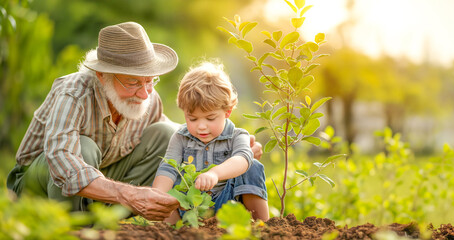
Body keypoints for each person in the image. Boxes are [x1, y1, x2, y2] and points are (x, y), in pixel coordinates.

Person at [6, 22, 262, 221]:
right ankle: (70, 227)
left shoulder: (147, 96)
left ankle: (104, 223)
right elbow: (61, 159)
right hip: (39, 185)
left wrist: (235, 149)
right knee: (83, 148)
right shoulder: (73, 93)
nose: (145, 92)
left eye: (150, 80)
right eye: (133, 82)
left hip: (103, 181)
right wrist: (128, 193)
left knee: (165, 133)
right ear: (102, 75)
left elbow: (182, 138)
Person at [153, 62, 270, 222]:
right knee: (168, 180)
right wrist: (157, 195)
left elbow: (242, 158)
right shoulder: (180, 137)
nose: (201, 126)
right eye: (192, 118)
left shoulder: (237, 136)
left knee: (252, 166)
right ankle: (169, 230)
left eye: (210, 118)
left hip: (228, 203)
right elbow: (168, 167)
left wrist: (215, 173)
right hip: (189, 205)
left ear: (227, 112)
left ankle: (263, 225)